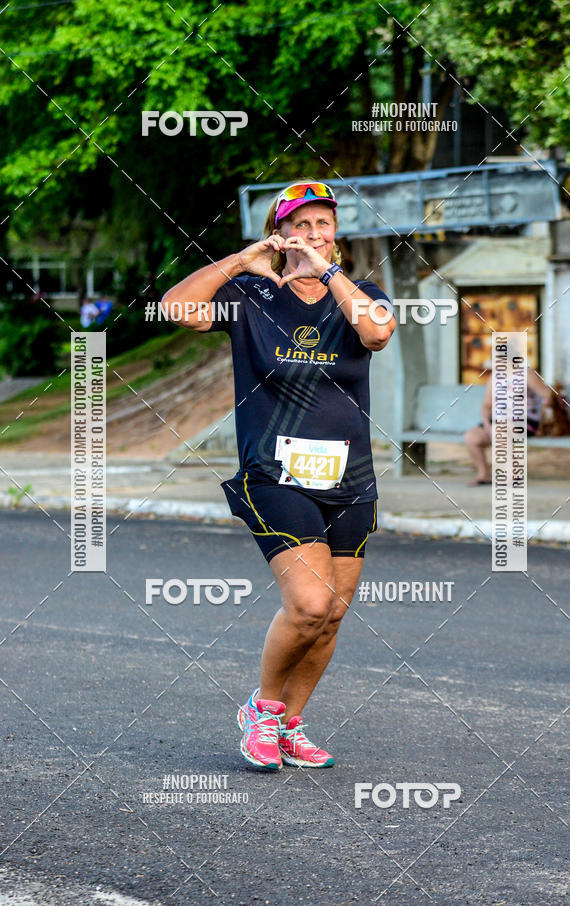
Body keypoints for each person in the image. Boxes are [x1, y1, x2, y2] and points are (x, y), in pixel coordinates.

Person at [161, 181, 396, 770]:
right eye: (302, 226)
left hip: (351, 477)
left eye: (325, 225)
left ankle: (291, 725)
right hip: (273, 472)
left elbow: (377, 333)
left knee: (334, 612)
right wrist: (242, 260)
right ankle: (261, 711)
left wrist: (331, 273)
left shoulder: (359, 293)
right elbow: (177, 309)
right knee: (310, 603)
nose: (315, 235)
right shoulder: (248, 295)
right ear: (280, 232)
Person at [464, 363, 553, 485]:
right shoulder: (494, 377)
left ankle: (513, 474)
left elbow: (548, 395)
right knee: (471, 437)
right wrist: (486, 424)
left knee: (500, 429)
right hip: (497, 422)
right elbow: (486, 405)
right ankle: (483, 474)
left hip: (525, 422)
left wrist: (547, 403)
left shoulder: (527, 373)